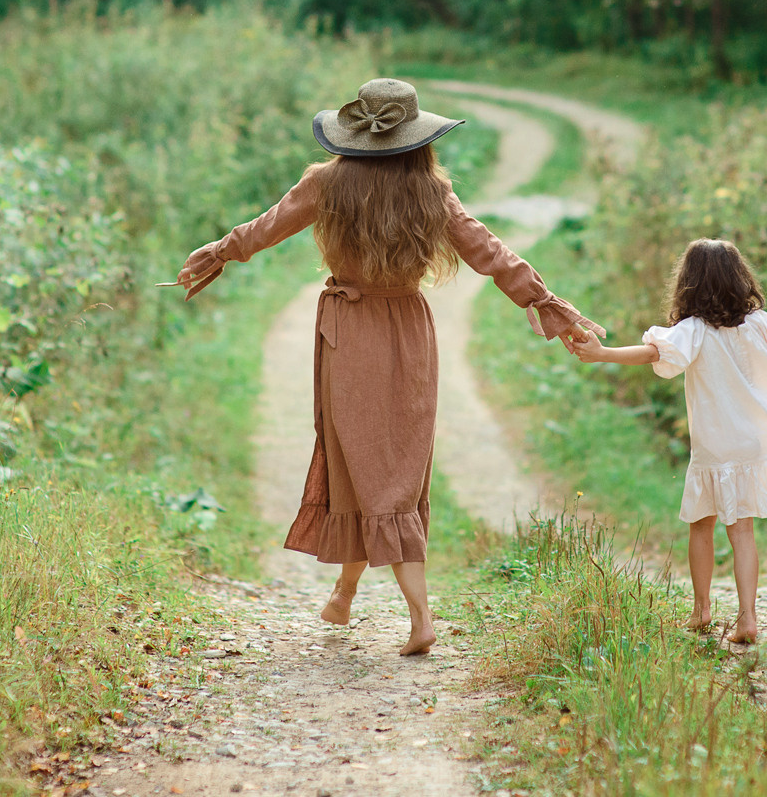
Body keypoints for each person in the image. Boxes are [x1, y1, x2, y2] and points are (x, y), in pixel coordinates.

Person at [177, 77, 598, 655]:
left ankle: (420, 617)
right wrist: (545, 303)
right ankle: (345, 594)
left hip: (349, 335)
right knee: (391, 467)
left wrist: (219, 251)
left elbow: (265, 228)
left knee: (363, 461)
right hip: (409, 334)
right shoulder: (431, 191)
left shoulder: (325, 184)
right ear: (417, 137)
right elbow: (489, 251)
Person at [566, 238, 767, 644]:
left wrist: (603, 354)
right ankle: (748, 619)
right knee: (742, 531)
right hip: (750, 444)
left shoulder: (693, 331)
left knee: (700, 526)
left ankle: (701, 610)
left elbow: (653, 354)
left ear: (688, 282)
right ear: (739, 278)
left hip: (714, 446)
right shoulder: (758, 323)